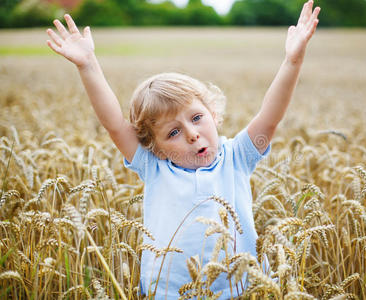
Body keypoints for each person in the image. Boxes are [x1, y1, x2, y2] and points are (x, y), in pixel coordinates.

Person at [46, 1, 320, 298]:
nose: (192, 134)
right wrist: (88, 65)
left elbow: (271, 115)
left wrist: (292, 61)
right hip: (169, 292)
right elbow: (114, 124)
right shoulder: (154, 166)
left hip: (240, 288)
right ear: (156, 147)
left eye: (197, 118)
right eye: (173, 132)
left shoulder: (238, 158)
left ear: (213, 115)